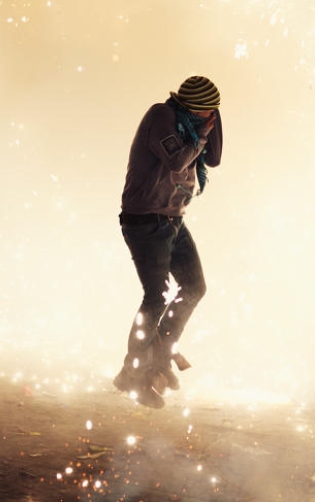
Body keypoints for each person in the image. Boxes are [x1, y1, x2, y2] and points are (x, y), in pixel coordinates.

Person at [114, 76, 223, 408]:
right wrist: (204, 128)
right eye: (207, 111)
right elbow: (177, 160)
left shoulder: (197, 126)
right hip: (146, 221)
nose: (210, 117)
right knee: (156, 297)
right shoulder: (162, 116)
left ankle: (160, 355)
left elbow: (213, 158)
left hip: (173, 219)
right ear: (193, 108)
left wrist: (214, 120)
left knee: (194, 287)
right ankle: (133, 375)